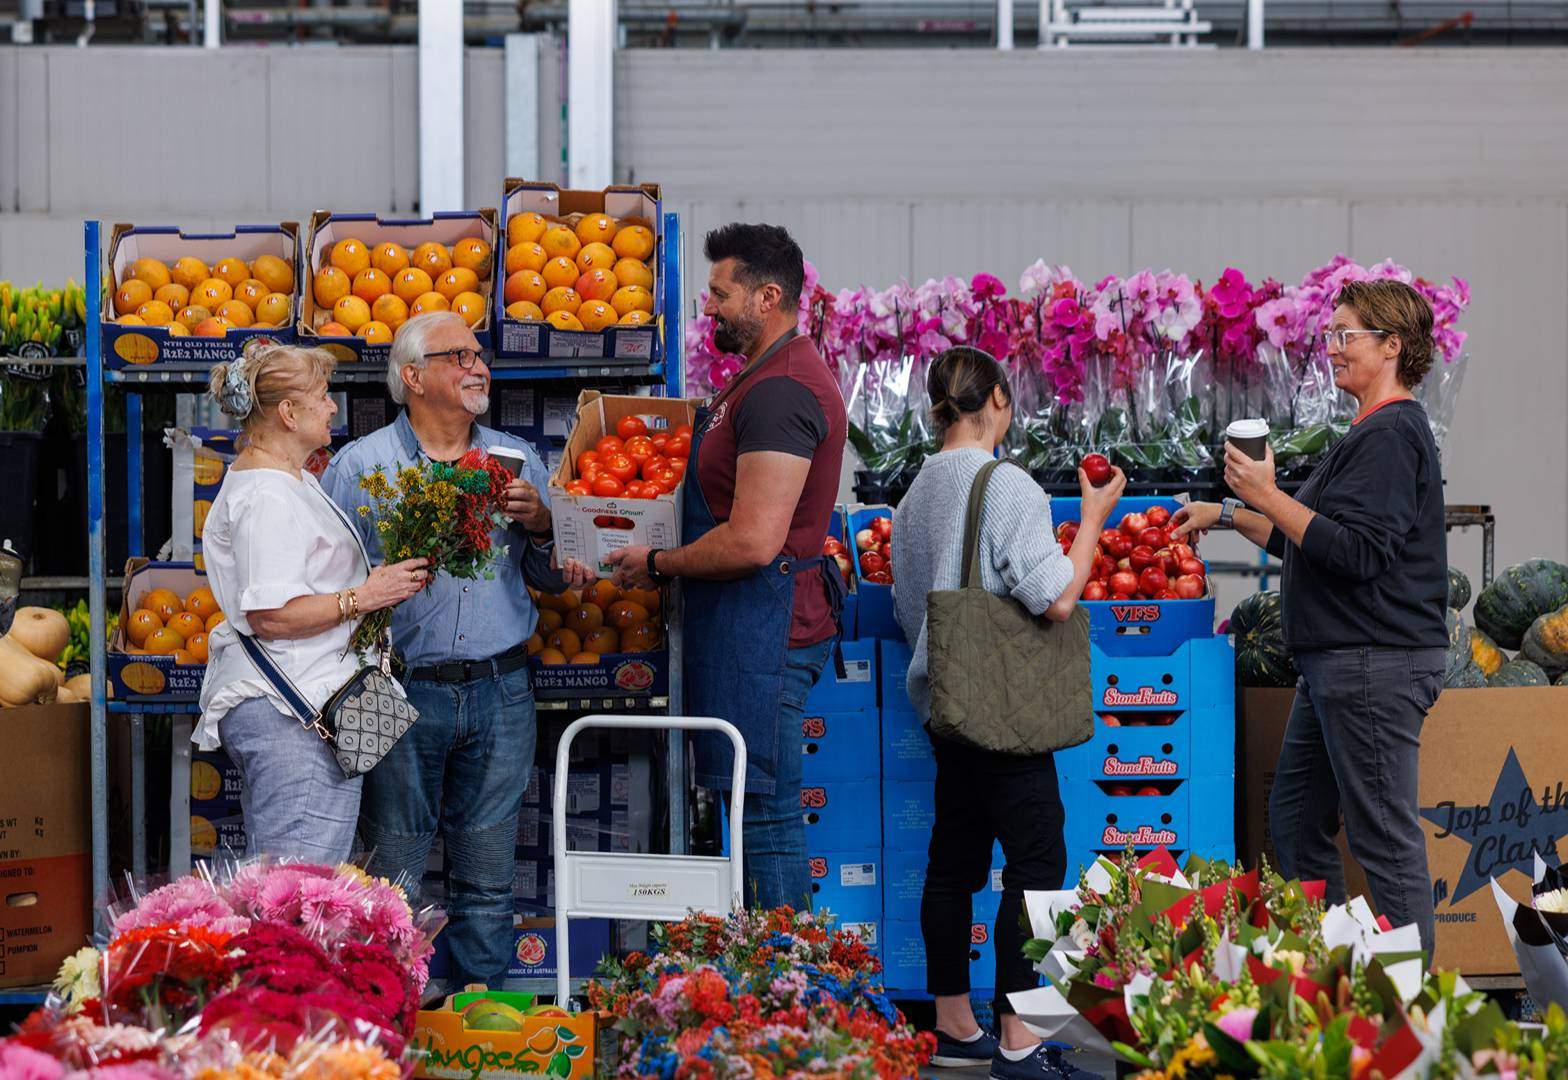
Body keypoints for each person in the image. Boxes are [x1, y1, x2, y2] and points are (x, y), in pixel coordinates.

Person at [1173, 278, 1447, 944]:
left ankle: (1409, 1013)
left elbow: (1355, 552)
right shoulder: (1369, 433)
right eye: (1329, 334)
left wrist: (1267, 492)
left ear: (1391, 346)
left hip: (1371, 662)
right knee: (1294, 820)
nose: (1331, 347)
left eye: (1344, 334)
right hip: (1340, 664)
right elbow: (1309, 541)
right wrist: (1231, 511)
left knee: (1384, 839)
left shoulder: (1391, 435)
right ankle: (1332, 976)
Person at [891, 346, 1123, 1078]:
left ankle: (956, 1030)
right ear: (997, 399)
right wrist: (1091, 519)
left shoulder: (913, 495)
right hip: (1005, 705)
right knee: (1039, 858)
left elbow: (909, 608)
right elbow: (1055, 598)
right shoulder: (1008, 485)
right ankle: (1021, 1036)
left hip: (946, 703)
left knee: (953, 859)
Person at [322, 311, 570, 990]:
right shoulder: (359, 467)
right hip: (392, 688)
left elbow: (549, 577)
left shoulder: (516, 461)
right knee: (390, 875)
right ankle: (393, 1023)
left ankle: (483, 1038)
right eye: (457, 355)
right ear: (412, 377)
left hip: (501, 690)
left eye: (479, 353)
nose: (477, 366)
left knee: (489, 879)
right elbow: (324, 587)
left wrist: (544, 525)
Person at [602, 223, 846, 911]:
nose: (707, 308)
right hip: (747, 625)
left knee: (763, 815)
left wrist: (657, 560)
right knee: (750, 808)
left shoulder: (782, 390)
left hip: (765, 630)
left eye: (719, 293)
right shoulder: (762, 377)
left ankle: (793, 993)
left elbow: (753, 542)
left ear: (767, 297)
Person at [194, 343, 431, 862]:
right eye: (323, 397)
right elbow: (272, 615)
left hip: (307, 705)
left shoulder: (289, 478)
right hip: (294, 717)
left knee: (297, 883)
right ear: (288, 412)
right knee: (300, 896)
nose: (332, 408)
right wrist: (365, 596)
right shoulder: (268, 497)